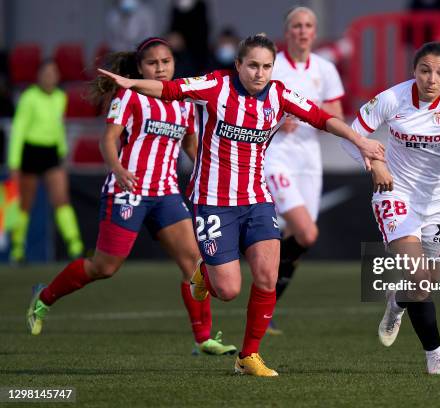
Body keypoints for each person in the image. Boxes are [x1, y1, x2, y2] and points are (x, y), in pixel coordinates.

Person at [98, 34, 385, 377]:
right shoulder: (216, 86)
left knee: (266, 275)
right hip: (213, 202)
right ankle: (203, 275)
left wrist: (361, 140)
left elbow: (322, 118)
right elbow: (171, 90)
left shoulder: (278, 94)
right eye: (252, 65)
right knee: (228, 289)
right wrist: (131, 83)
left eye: (266, 66)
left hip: (257, 200)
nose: (259, 73)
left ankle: (248, 356)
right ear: (238, 65)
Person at [26, 37, 236, 357]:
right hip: (129, 190)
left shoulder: (184, 102)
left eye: (166, 62)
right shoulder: (129, 96)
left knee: (194, 263)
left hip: (166, 193)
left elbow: (191, 146)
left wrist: (212, 172)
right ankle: (43, 298)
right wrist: (119, 168)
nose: (160, 68)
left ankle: (202, 338)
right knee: (104, 267)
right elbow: (107, 140)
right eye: (153, 63)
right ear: (140, 68)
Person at [342, 41, 440, 374]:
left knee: (424, 283)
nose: (431, 79)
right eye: (424, 70)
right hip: (394, 194)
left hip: (438, 201)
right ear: (414, 71)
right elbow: (350, 136)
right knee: (417, 272)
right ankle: (435, 357)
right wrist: (374, 165)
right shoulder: (391, 98)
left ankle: (397, 301)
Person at [263, 6, 345, 335]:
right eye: (296, 25)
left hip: (309, 161)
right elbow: (255, 104)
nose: (302, 31)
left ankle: (265, 304)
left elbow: (336, 112)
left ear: (314, 32)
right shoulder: (274, 65)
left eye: (308, 25)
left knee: (300, 238)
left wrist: (305, 109)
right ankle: (262, 289)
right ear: (287, 31)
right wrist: (279, 117)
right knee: (306, 231)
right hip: (276, 156)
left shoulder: (324, 69)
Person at [8, 59, 83, 262]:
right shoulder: (29, 98)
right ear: (39, 76)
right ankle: (17, 250)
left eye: (53, 73)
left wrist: (63, 152)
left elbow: (59, 128)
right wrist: (14, 162)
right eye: (46, 73)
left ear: (58, 77)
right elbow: (18, 130)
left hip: (52, 154)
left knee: (61, 199)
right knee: (25, 204)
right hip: (31, 153)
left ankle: (75, 246)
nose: (50, 77)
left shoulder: (61, 97)